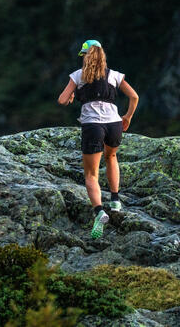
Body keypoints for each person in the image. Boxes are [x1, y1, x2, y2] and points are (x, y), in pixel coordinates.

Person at [57, 39, 139, 239]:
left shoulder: (78, 76)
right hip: (114, 124)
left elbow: (61, 100)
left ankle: (99, 211)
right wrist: (127, 117)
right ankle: (116, 200)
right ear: (102, 55)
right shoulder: (114, 75)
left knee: (91, 174)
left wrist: (71, 96)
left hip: (92, 126)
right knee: (111, 158)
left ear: (85, 56)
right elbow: (134, 97)